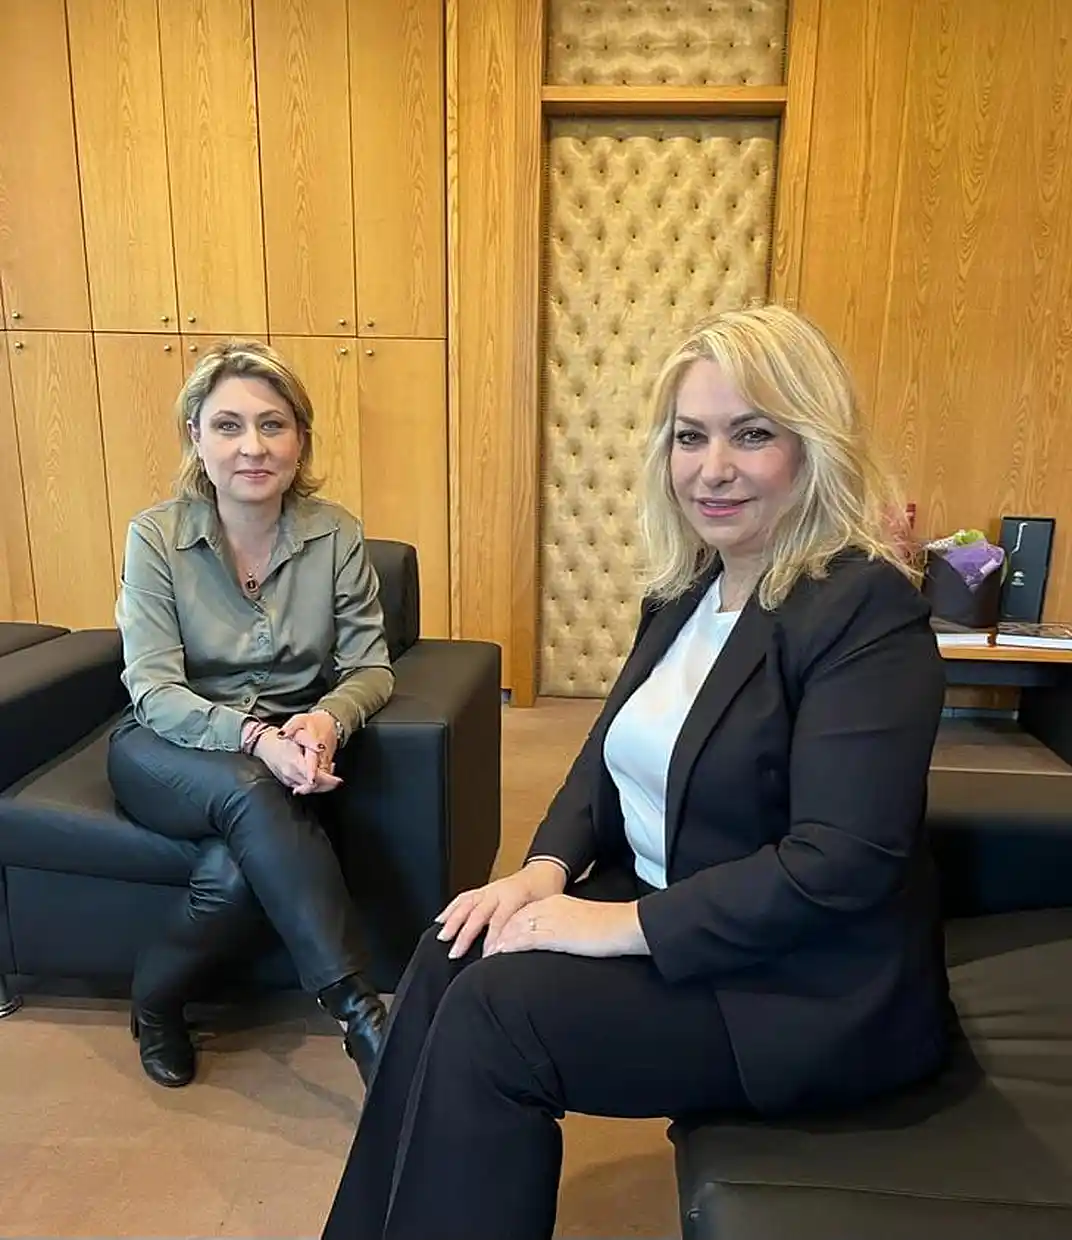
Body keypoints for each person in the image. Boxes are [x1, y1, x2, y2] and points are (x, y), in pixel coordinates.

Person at [321, 304, 950, 1240]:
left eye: (752, 435)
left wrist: (619, 926)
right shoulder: (688, 587)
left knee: (500, 1016)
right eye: (690, 437)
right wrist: (542, 873)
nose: (712, 468)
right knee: (450, 949)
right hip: (679, 907)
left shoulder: (865, 612)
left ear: (812, 446)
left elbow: (840, 865)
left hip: (798, 986)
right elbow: (605, 759)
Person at [108, 339, 394, 1090]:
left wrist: (327, 720)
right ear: (197, 439)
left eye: (273, 425)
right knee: (249, 786)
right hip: (166, 747)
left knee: (232, 876)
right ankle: (363, 1019)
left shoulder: (335, 534)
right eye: (228, 426)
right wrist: (255, 738)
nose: (253, 447)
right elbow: (154, 688)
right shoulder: (155, 537)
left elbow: (370, 667)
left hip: (286, 755)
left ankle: (156, 1004)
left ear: (300, 438)